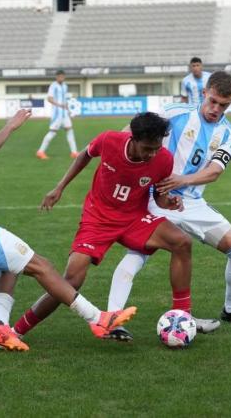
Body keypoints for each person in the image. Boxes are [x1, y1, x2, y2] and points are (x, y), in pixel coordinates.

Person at [0, 104, 137, 352]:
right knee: (42, 266)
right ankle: (99, 319)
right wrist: (11, 125)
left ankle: (0, 326)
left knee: (8, 269)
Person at [13, 112, 220, 339]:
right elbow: (84, 155)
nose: (152, 154)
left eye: (157, 147)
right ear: (133, 139)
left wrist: (170, 201)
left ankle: (182, 314)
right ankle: (16, 331)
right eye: (147, 148)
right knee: (72, 280)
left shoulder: (163, 158)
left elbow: (160, 197)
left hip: (134, 218)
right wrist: (59, 187)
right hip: (98, 218)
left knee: (181, 241)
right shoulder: (109, 140)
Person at [107, 71, 231, 341]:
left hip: (192, 203)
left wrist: (182, 179)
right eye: (212, 101)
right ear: (205, 93)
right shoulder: (174, 112)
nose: (216, 109)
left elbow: (214, 172)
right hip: (155, 199)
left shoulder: (230, 134)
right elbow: (127, 135)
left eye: (223, 105)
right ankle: (111, 317)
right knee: (137, 255)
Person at [36, 69, 78, 160]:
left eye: (63, 76)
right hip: (57, 114)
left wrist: (68, 109)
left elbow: (64, 100)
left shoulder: (65, 86)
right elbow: (49, 99)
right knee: (52, 132)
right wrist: (60, 105)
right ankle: (40, 151)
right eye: (60, 76)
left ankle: (74, 152)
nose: (61, 78)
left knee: (70, 130)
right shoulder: (53, 86)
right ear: (57, 77)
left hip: (64, 114)